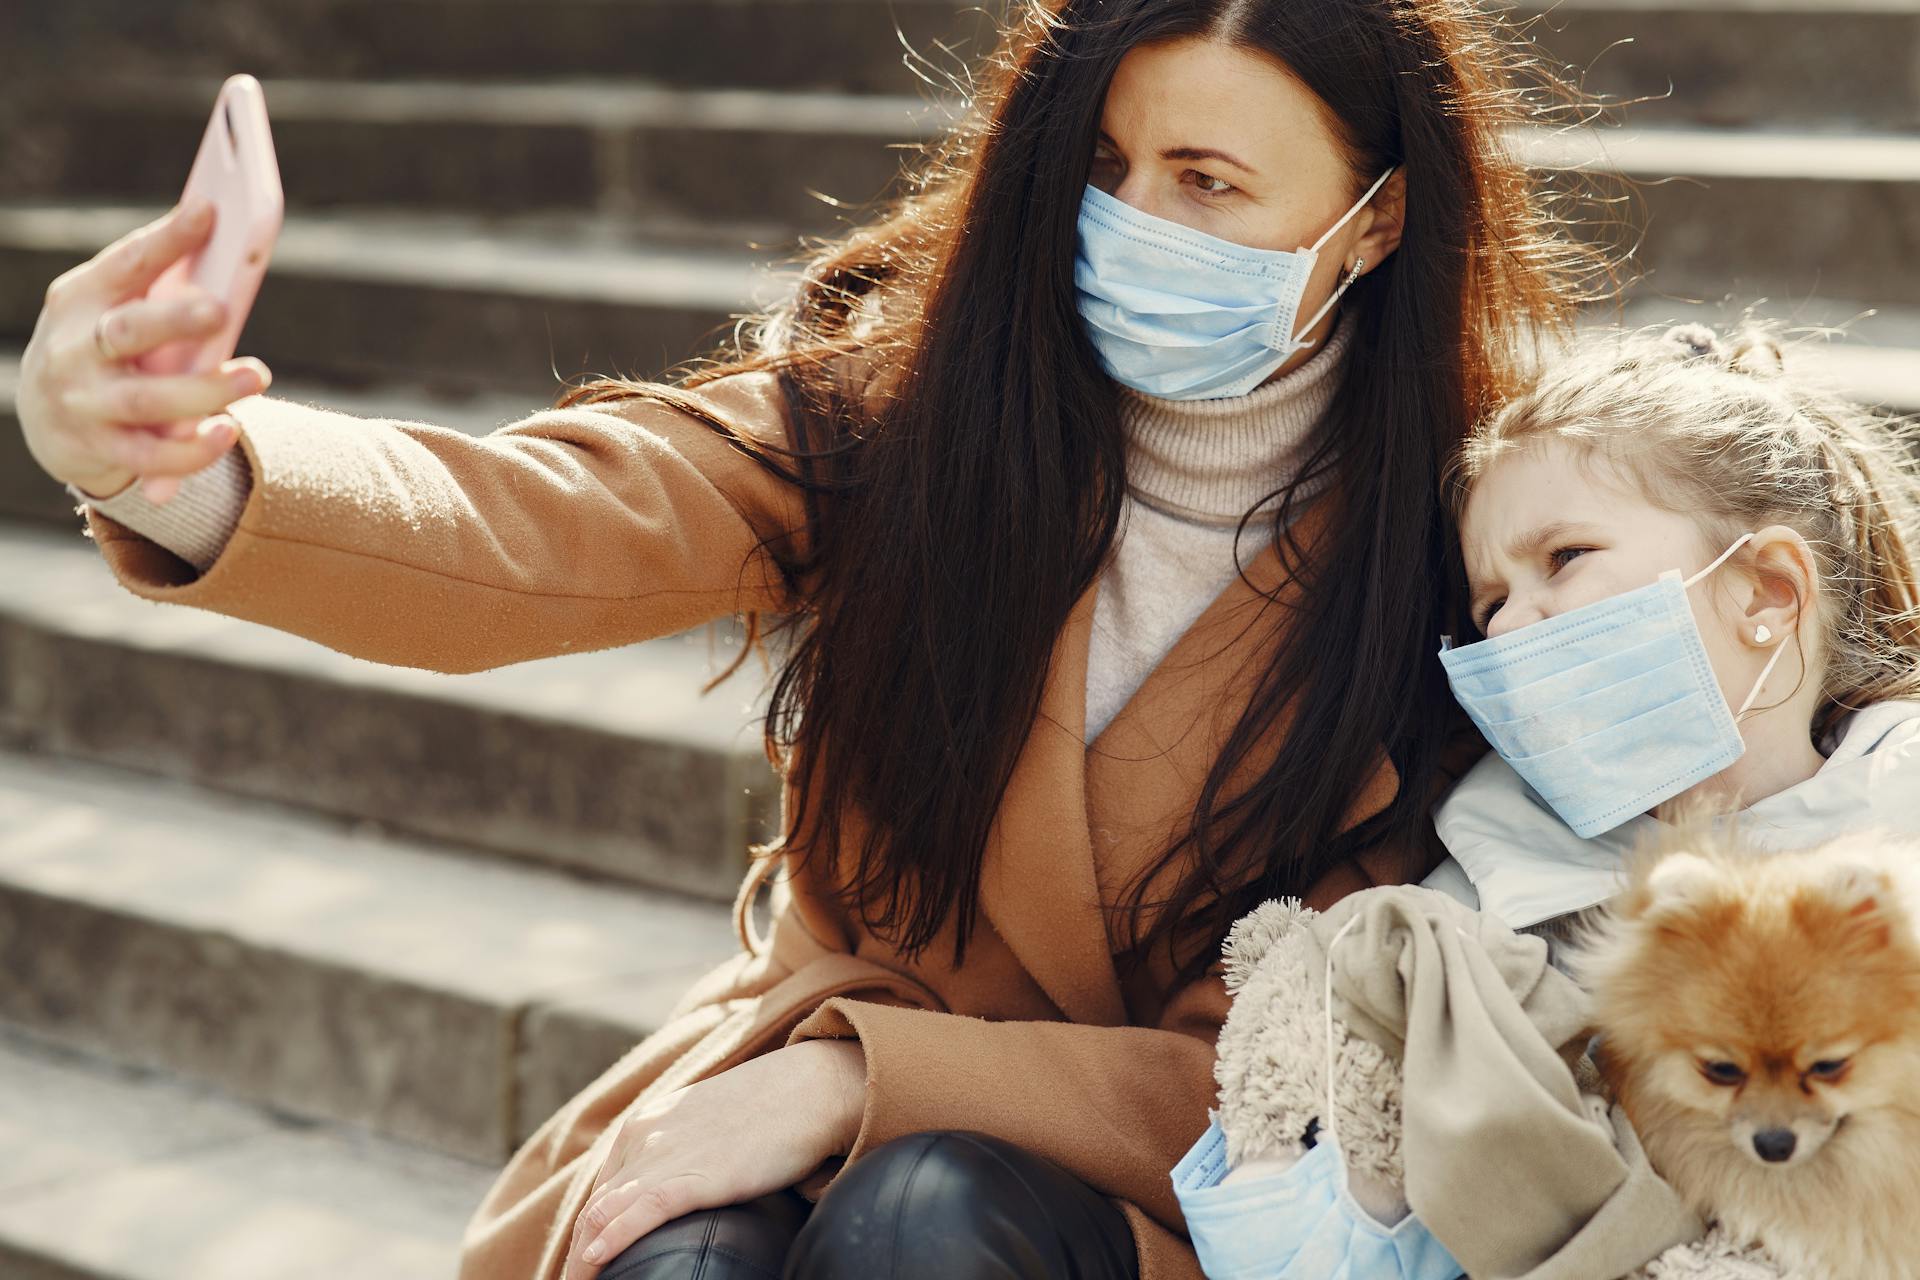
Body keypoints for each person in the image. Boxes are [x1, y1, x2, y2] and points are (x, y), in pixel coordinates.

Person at [13, 1, 1595, 1275]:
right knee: (670, 1248)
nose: (1128, 226)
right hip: (809, 1069)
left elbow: (1308, 1059)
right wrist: (192, 471)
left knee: (925, 1223)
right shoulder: (914, 411)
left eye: (1207, 183)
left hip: (1189, 1182)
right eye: (1101, 169)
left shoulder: (1465, 545)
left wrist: (858, 1080)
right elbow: (551, 519)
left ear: (1377, 221)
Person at [1427, 323, 1920, 949]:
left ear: (1766, 589)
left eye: (1564, 555)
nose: (1503, 628)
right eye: (1491, 604)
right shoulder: (1458, 917)